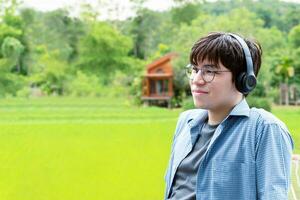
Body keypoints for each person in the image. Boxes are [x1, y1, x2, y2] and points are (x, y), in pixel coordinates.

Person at [164, 32, 294, 200]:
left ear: (244, 79)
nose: (196, 79)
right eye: (195, 70)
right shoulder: (186, 121)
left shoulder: (265, 129)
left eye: (209, 71)